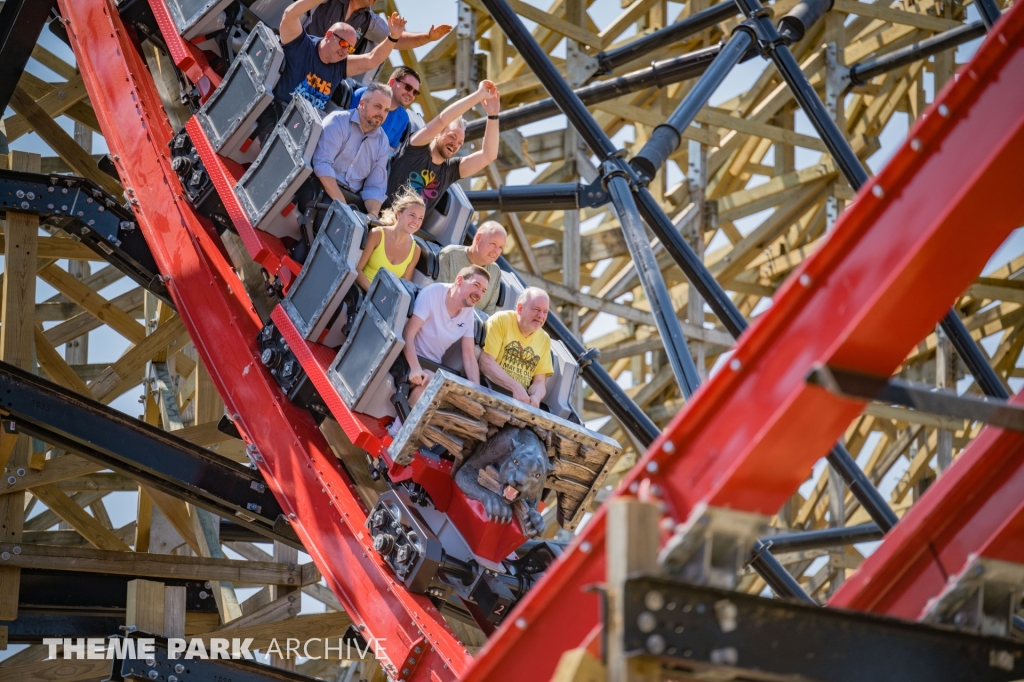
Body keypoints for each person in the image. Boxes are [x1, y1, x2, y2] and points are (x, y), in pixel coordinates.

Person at [255, 0, 406, 141]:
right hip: (278, 112)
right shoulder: (302, 45)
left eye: (350, 48)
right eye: (342, 43)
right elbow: (289, 15)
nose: (344, 50)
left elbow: (372, 59)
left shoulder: (340, 66)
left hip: (308, 125)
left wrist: (393, 37)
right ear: (328, 35)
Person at [385, 79, 501, 214]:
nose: (455, 144)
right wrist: (479, 95)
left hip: (408, 229)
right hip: (386, 215)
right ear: (437, 133)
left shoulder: (450, 171)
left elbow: (489, 155)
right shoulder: (417, 146)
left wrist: (493, 115)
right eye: (452, 137)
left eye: (460, 142)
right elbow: (442, 119)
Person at [402, 265, 489, 406]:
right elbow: (408, 333)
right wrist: (415, 368)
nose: (479, 294)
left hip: (432, 367)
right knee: (432, 380)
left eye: (483, 291)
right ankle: (397, 428)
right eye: (476, 285)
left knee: (450, 389)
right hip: (408, 360)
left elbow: (469, 356)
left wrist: (476, 391)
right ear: (460, 280)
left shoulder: (469, 312)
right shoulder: (433, 293)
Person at [310, 82, 391, 216]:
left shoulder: (383, 142)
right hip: (320, 187)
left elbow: (375, 187)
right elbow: (322, 165)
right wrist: (343, 209)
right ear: (362, 103)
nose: (381, 113)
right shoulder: (338, 121)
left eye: (386, 110)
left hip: (351, 200)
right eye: (378, 107)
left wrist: (372, 215)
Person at [480, 287, 553, 409]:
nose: (541, 316)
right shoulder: (501, 320)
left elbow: (539, 381)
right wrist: (515, 387)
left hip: (521, 402)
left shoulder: (544, 339)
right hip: (491, 393)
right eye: (536, 309)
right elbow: (486, 363)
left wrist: (536, 397)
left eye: (545, 312)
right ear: (520, 308)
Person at [355, 187, 425, 290]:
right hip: (359, 292)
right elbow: (357, 269)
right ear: (399, 214)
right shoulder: (377, 234)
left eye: (420, 218)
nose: (416, 221)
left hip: (384, 301)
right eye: (412, 215)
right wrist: (374, 295)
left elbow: (403, 286)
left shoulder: (416, 251)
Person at [437, 221, 506, 315]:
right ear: (478, 238)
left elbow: (488, 313)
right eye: (493, 244)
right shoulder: (449, 255)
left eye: (501, 247)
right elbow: (438, 296)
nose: (496, 251)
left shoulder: (495, 271)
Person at [349, 66, 420, 152]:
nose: (411, 94)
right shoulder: (364, 94)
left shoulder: (404, 119)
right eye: (408, 87)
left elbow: (389, 151)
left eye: (415, 92)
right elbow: (344, 127)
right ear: (392, 82)